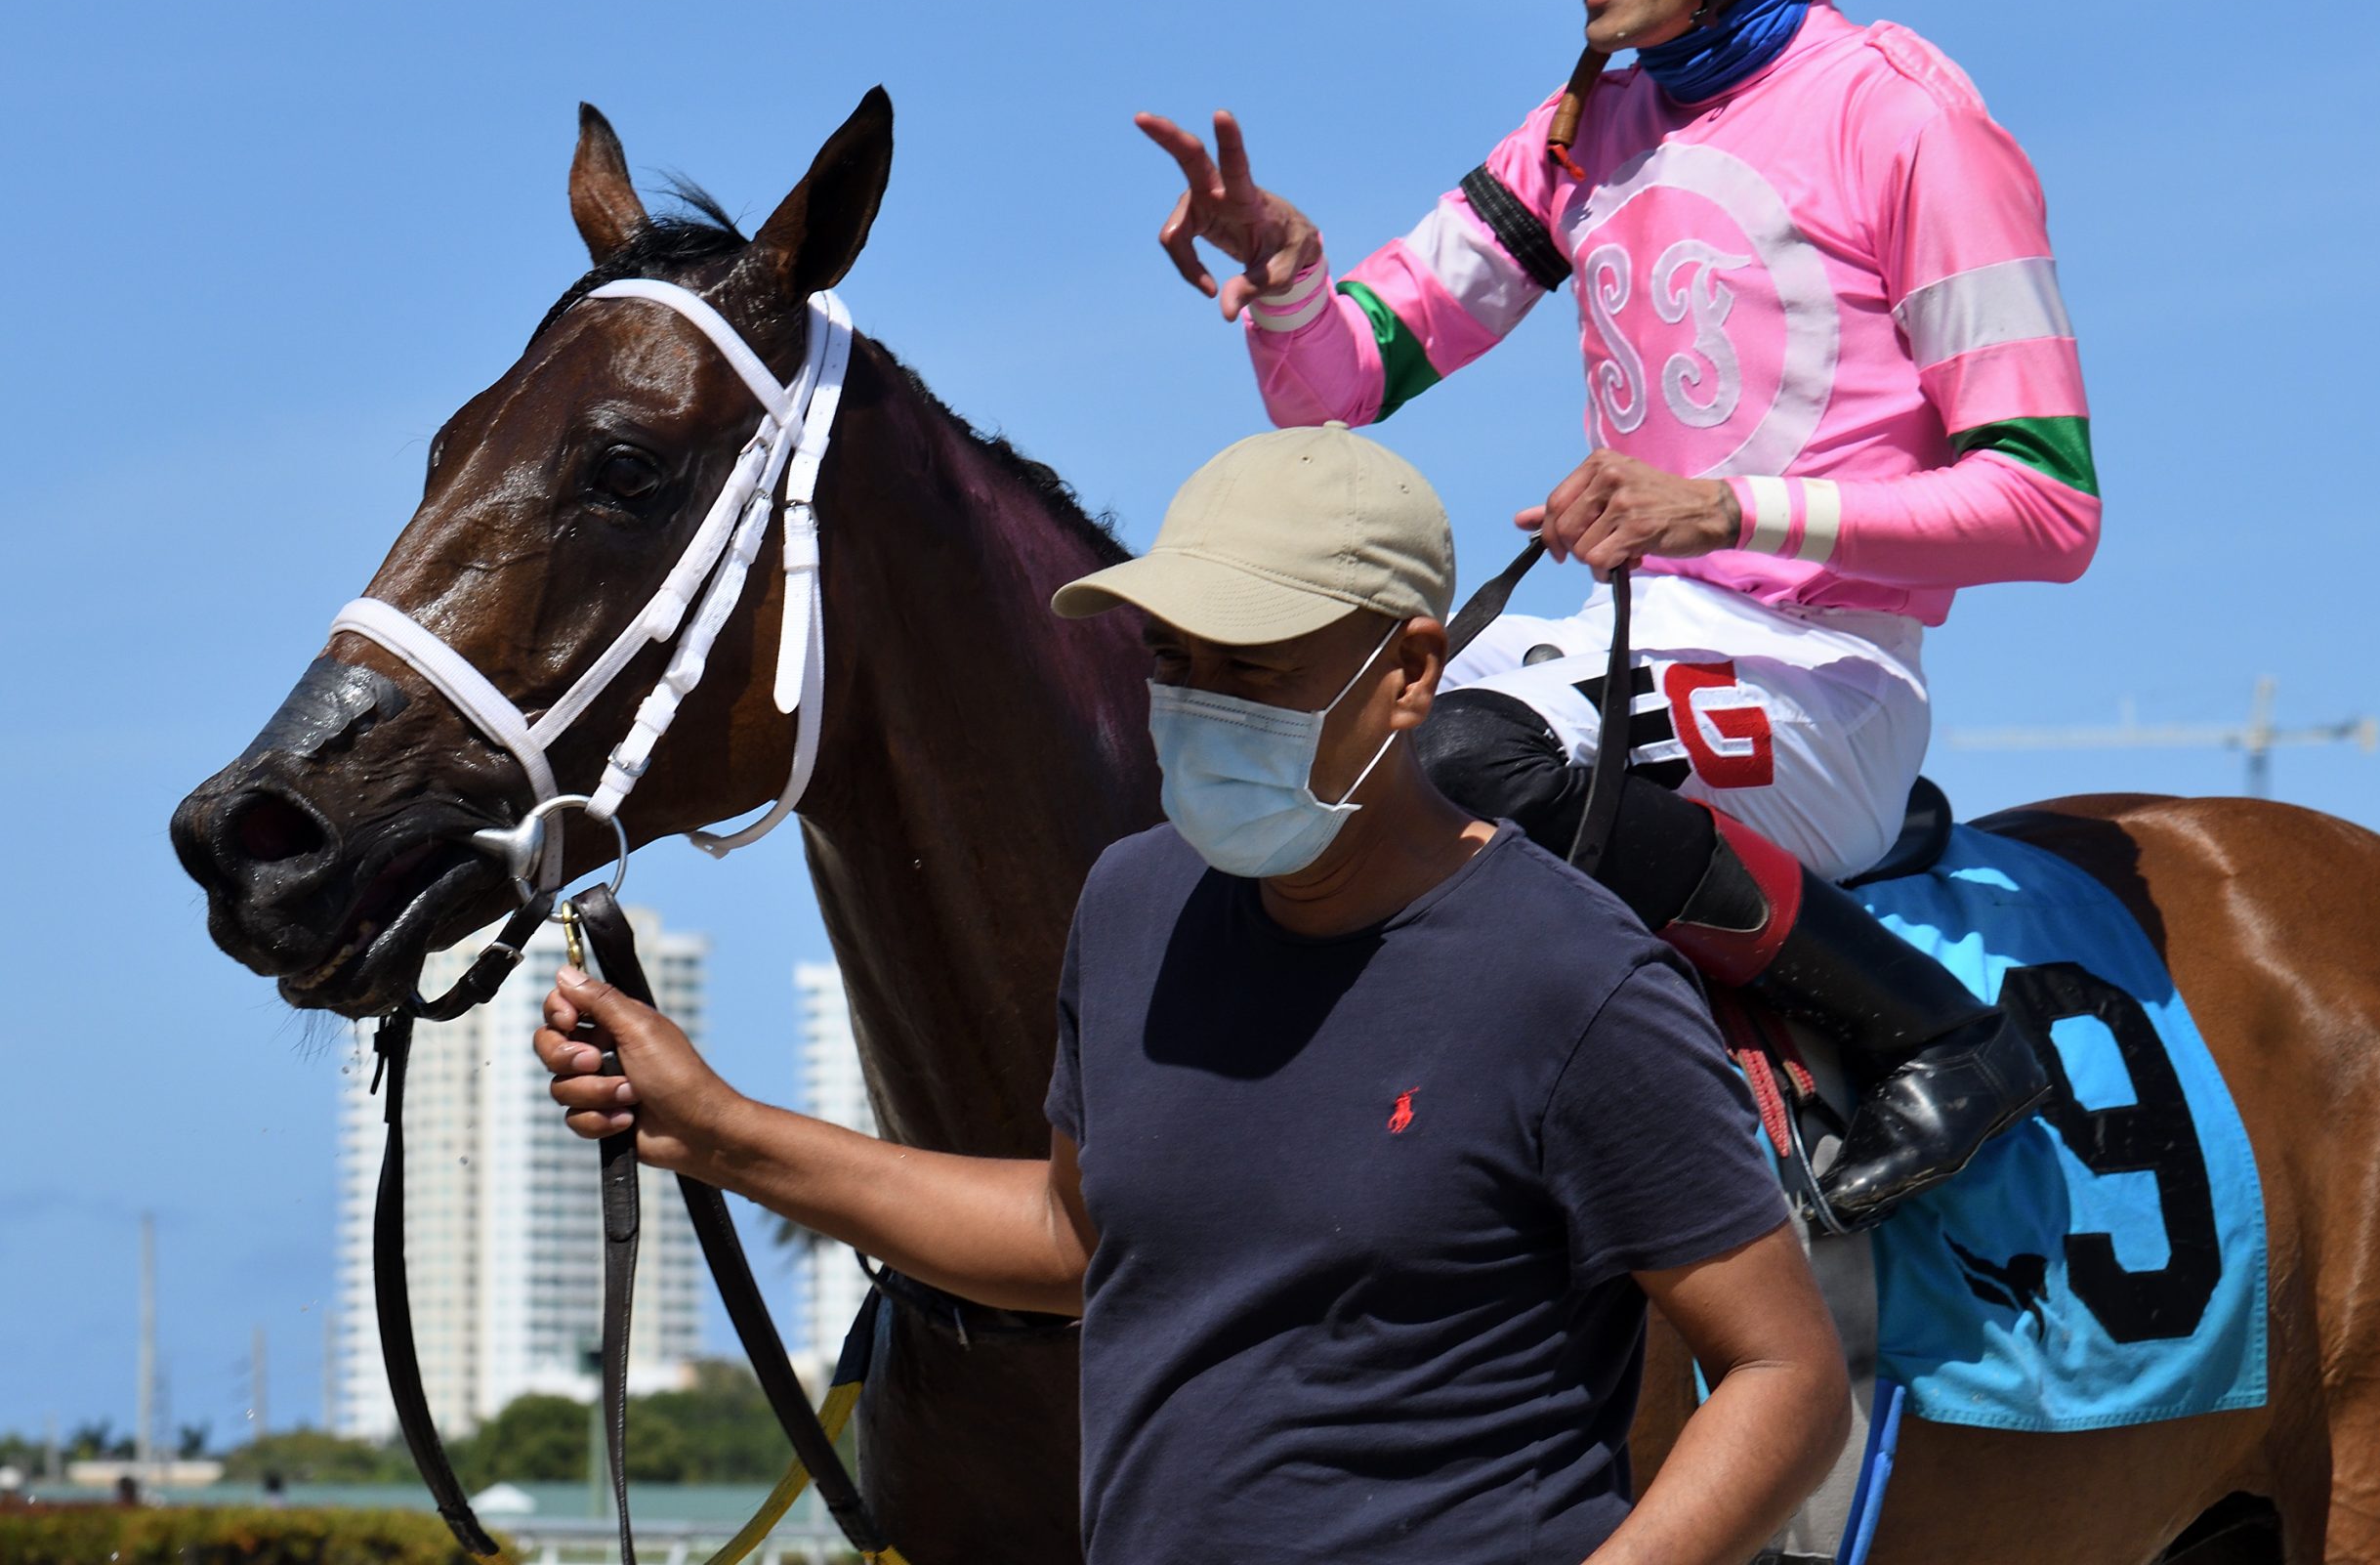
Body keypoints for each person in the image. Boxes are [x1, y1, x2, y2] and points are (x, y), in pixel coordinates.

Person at [538, 424, 1849, 1565]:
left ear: (1407, 673)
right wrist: (715, 1128)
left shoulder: (1573, 977)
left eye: (1252, 670)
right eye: (1172, 660)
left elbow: (1785, 1376)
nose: (1196, 709)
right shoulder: (1132, 907)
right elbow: (1073, 1238)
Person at [1138, 0, 2094, 1229]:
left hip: (1825, 679)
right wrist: (1294, 274)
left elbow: (2048, 507)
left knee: (1462, 765)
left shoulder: (1908, 124)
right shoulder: (1587, 123)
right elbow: (1344, 382)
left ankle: (1943, 1032)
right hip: (1630, 645)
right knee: (1283, 776)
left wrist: (1720, 504)